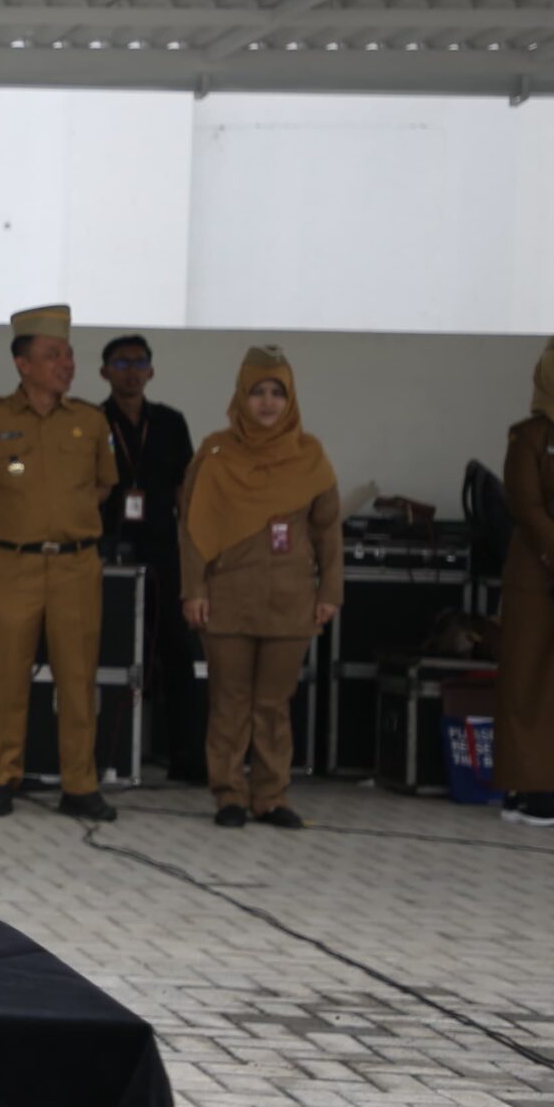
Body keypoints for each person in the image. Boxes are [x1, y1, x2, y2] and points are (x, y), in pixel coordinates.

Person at [0, 305, 120, 820]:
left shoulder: (90, 422)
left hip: (75, 564)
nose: (65, 364)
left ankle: (81, 785)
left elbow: (104, 483)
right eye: (53, 355)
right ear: (23, 363)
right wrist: (12, 512)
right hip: (14, 563)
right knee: (6, 676)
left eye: (68, 355)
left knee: (77, 679)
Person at [179, 348, 342, 829]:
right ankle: (229, 793)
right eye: (257, 392)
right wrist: (195, 590)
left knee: (274, 706)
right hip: (227, 596)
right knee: (228, 702)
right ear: (240, 397)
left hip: (291, 599)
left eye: (277, 393)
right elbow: (191, 529)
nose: (267, 403)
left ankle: (272, 796)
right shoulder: (215, 453)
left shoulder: (310, 456)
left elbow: (328, 531)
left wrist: (329, 592)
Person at [98, 334, 199, 780]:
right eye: (121, 363)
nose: (132, 371)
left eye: (140, 363)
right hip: (108, 548)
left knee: (179, 653)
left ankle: (186, 759)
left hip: (163, 551)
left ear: (152, 372)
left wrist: (196, 554)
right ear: (104, 372)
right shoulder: (92, 421)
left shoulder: (171, 423)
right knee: (111, 651)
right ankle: (110, 755)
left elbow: (186, 493)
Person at [497, 332, 554, 826]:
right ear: (551, 373)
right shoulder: (528, 436)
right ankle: (531, 787)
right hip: (541, 579)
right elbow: (527, 507)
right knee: (535, 684)